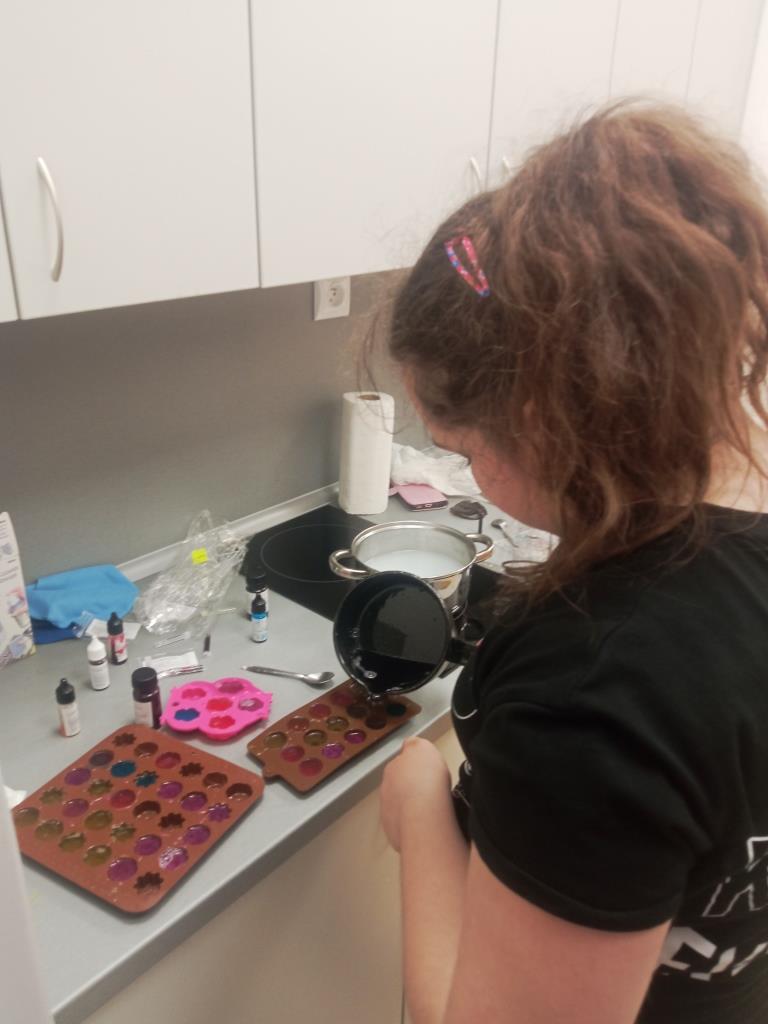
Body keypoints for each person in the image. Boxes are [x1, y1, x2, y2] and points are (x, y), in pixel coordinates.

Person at [377, 102, 768, 1024]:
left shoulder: (592, 693)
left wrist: (421, 808)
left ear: (549, 425)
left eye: (463, 450)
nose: (471, 477)